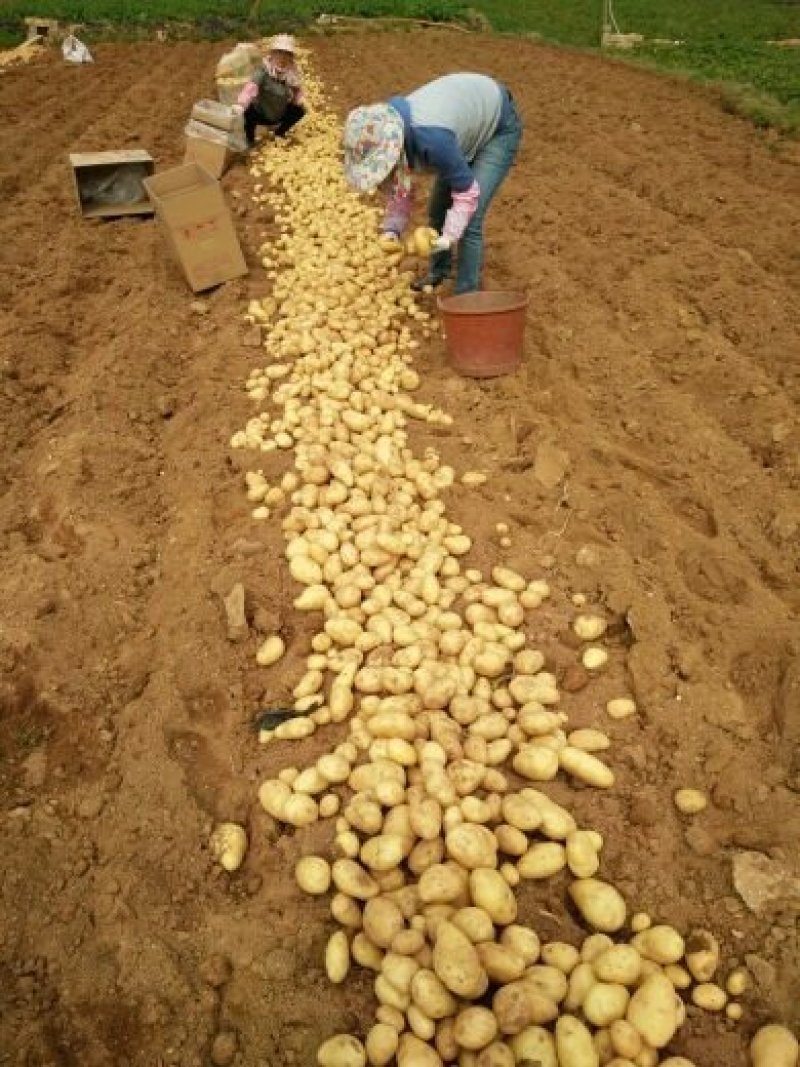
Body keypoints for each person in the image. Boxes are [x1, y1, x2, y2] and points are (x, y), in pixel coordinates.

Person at [343, 72, 522, 294]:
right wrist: (392, 229)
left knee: (470, 221)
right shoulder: (391, 128)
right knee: (438, 209)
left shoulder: (432, 140)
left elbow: (467, 192)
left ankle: (467, 296)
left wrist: (449, 236)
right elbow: (400, 185)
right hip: (461, 129)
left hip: (497, 127)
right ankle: (439, 272)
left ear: (393, 146)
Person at [235, 34, 306, 147]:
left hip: (279, 113)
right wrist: (241, 104)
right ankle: (250, 139)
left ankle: (279, 132)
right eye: (279, 53)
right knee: (248, 112)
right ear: (272, 54)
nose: (283, 58)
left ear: (291, 57)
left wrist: (298, 99)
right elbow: (251, 87)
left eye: (287, 54)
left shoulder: (291, 74)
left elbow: (297, 90)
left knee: (300, 110)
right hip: (261, 114)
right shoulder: (263, 71)